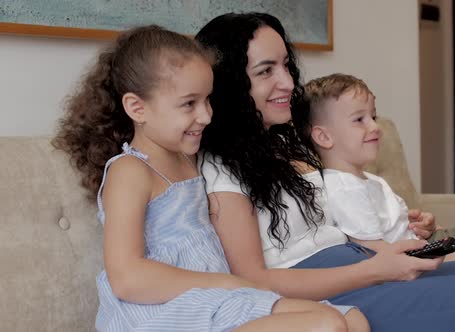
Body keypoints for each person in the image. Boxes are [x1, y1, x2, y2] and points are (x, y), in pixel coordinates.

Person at [196, 12, 455, 331]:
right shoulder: (222, 168)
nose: (288, 82)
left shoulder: (282, 145)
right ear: (229, 82)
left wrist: (398, 231)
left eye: (285, 65)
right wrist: (376, 269)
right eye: (266, 71)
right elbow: (254, 281)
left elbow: (341, 213)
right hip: (329, 291)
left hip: (362, 261)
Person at [52, 25, 369, 332]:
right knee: (325, 325)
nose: (205, 115)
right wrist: (224, 282)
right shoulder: (129, 171)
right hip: (165, 312)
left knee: (352, 319)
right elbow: (126, 277)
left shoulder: (189, 158)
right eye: (189, 103)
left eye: (208, 100)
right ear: (137, 107)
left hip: (217, 301)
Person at [302, 73, 455, 260]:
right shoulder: (343, 188)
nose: (375, 126)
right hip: (405, 256)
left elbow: (399, 225)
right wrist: (435, 254)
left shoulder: (370, 179)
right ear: (324, 136)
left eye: (373, 116)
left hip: (416, 241)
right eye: (360, 119)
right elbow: (374, 253)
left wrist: (425, 226)